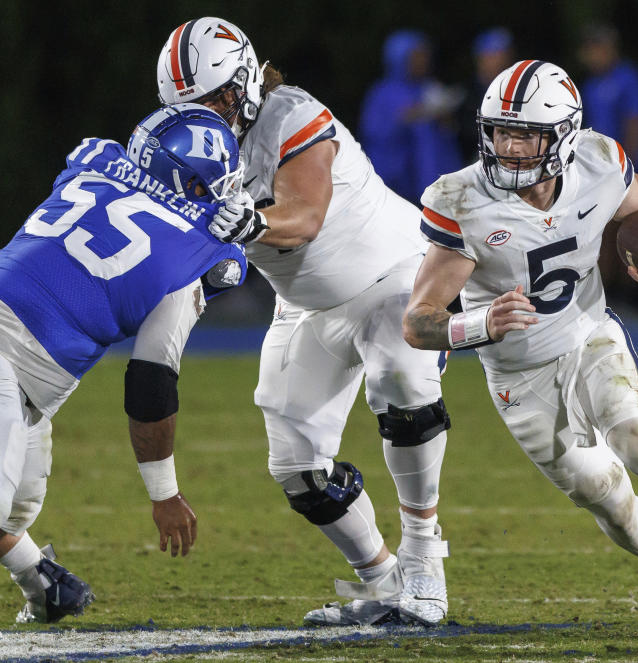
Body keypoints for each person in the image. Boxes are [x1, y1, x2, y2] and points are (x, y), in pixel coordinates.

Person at [403, 60, 638, 640]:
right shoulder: (460, 198)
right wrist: (478, 324)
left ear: (563, 135)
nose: (507, 147)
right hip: (520, 376)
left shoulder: (599, 161)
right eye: (499, 131)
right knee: (609, 502)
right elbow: (419, 322)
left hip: (588, 335)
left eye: (524, 134)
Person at [157, 18, 451, 627]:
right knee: (298, 469)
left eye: (215, 99)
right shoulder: (181, 151)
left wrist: (245, 227)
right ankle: (385, 582)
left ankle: (426, 560)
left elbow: (304, 216)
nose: (207, 115)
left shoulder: (290, 114)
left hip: (395, 276)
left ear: (246, 80)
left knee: (401, 379)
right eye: (191, 107)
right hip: (307, 303)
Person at [0, 103, 248, 624]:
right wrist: (165, 495)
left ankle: (45, 587)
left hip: (25, 381)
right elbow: (150, 384)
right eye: (214, 186)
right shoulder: (193, 251)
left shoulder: (93, 162)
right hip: (7, 360)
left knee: (18, 508)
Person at [577, 24, 638, 300]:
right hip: (597, 170)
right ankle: (607, 293)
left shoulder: (628, 78)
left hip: (625, 168)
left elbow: (635, 121)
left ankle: (634, 293)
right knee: (601, 233)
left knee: (630, 233)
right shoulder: (590, 84)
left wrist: (628, 166)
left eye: (596, 49)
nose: (591, 55)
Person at [359, 29, 464, 203]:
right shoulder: (382, 93)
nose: (423, 61)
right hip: (395, 182)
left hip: (431, 183)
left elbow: (447, 135)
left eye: (425, 55)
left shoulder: (431, 88)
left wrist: (445, 118)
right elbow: (373, 134)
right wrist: (405, 119)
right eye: (416, 56)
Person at [457, 27, 515, 163]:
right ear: (481, 58)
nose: (501, 60)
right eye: (495, 55)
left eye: (505, 53)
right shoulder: (466, 94)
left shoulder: (519, 88)